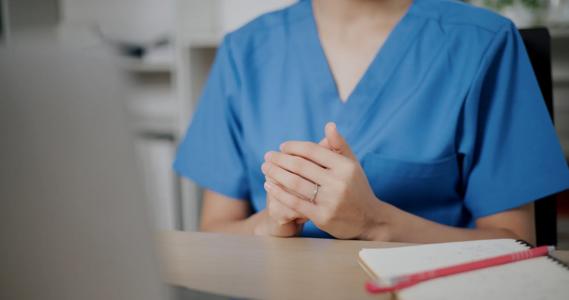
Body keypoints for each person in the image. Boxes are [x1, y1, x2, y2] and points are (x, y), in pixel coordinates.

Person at [174, 0, 569, 243]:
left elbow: (516, 245)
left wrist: (374, 222)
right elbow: (213, 233)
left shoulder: (481, 43)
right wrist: (267, 226)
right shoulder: (244, 51)